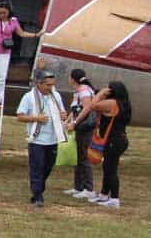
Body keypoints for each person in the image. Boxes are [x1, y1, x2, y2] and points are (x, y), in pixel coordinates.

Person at [68, 80, 131, 209]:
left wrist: (101, 94)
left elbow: (92, 106)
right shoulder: (124, 104)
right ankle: (103, 195)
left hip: (113, 141)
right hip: (118, 140)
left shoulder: (112, 103)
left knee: (111, 170)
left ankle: (114, 198)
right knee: (107, 168)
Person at [16, 68, 69, 208]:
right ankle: (38, 195)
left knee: (47, 167)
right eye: (48, 85)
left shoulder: (56, 96)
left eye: (52, 85)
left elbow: (62, 112)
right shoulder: (29, 97)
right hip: (37, 140)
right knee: (37, 168)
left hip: (53, 139)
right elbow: (20, 116)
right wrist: (36, 118)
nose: (50, 88)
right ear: (39, 84)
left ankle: (38, 189)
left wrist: (63, 116)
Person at [0, 2, 42, 107]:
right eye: (0, 13)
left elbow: (21, 33)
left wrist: (35, 35)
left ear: (9, 12)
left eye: (4, 13)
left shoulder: (13, 21)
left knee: (1, 77)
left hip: (4, 51)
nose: (2, 15)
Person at [63, 69, 97, 198]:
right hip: (80, 127)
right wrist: (67, 120)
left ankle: (88, 188)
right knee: (78, 156)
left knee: (84, 157)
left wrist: (75, 122)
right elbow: (76, 109)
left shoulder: (83, 91)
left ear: (72, 79)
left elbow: (86, 108)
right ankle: (78, 187)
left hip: (85, 128)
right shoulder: (79, 91)